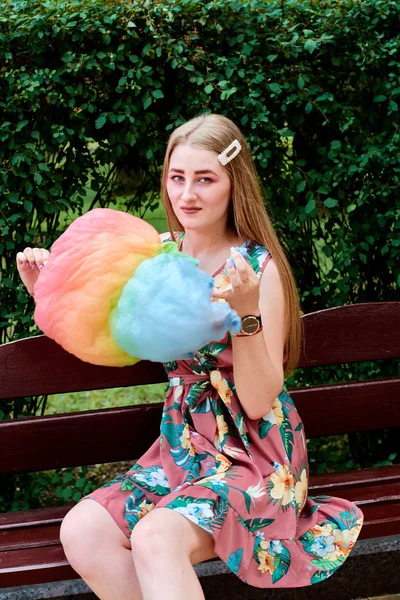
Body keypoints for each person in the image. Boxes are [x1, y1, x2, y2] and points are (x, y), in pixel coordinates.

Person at [16, 113, 363, 599]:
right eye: (177, 178)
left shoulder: (256, 268)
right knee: (84, 533)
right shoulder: (158, 258)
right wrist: (45, 296)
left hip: (255, 456)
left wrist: (245, 316)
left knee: (156, 537)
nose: (188, 195)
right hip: (182, 448)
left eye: (205, 179)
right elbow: (108, 340)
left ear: (232, 185)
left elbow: (261, 401)